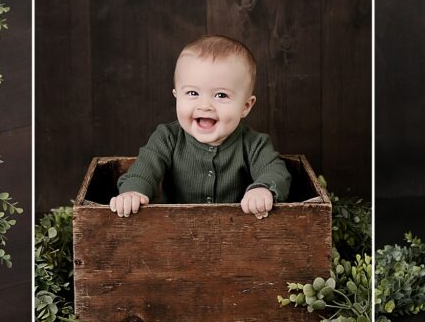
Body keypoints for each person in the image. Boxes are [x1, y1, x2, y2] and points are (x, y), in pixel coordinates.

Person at [109, 34, 291, 219]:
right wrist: (133, 191)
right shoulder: (167, 137)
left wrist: (262, 189)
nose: (205, 105)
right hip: (172, 229)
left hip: (238, 232)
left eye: (221, 95)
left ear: (245, 106)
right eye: (192, 93)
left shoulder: (255, 144)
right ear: (176, 96)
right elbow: (145, 168)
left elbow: (275, 171)